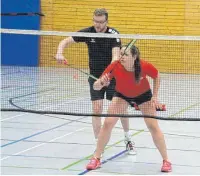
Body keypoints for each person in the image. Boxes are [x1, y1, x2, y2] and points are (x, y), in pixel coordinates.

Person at [55, 8, 136, 155]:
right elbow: (65, 41)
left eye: (101, 22)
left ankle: (128, 138)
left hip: (113, 76)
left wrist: (106, 76)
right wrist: (59, 52)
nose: (98, 25)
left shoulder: (114, 35)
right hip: (95, 76)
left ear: (106, 21)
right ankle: (99, 144)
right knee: (97, 109)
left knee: (121, 109)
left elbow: (115, 58)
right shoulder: (88, 32)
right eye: (95, 21)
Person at [86, 45, 172, 172]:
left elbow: (157, 76)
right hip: (122, 95)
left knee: (153, 126)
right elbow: (95, 87)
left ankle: (166, 161)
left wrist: (155, 96)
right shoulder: (115, 66)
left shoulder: (144, 66)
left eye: (125, 54)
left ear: (134, 56)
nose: (122, 57)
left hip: (144, 96)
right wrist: (101, 83)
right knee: (108, 123)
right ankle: (96, 158)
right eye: (121, 54)